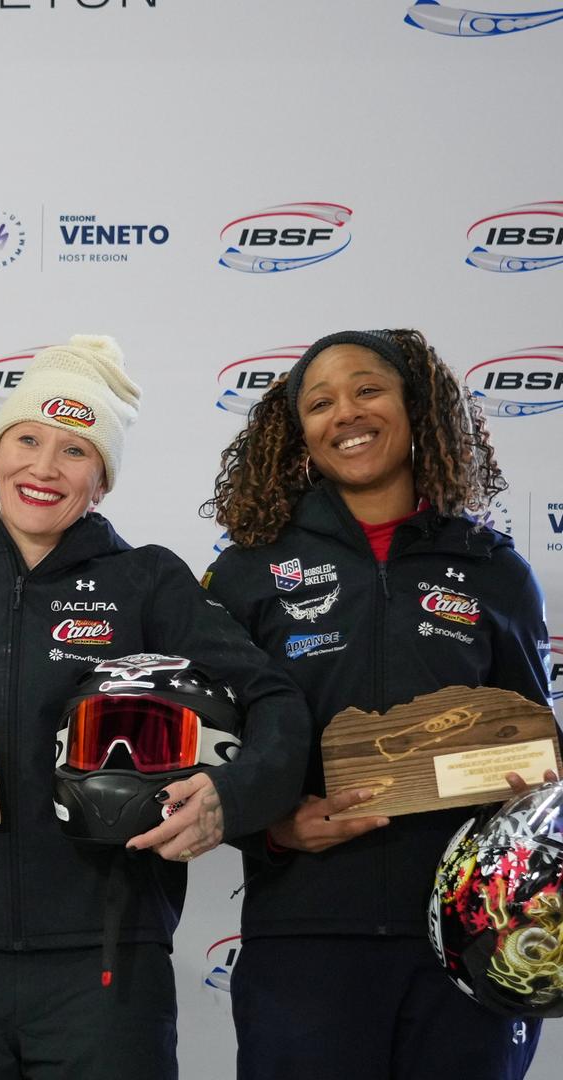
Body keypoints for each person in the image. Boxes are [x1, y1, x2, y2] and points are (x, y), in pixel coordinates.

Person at [0, 335, 310, 1080]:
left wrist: (232, 795)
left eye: (75, 451)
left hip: (107, 958)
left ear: (103, 479)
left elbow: (275, 701)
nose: (43, 467)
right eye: (27, 439)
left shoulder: (149, 582)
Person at [203, 328, 549, 1079]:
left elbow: (536, 753)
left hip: (469, 934)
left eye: (367, 389)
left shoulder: (493, 570)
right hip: (306, 933)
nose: (346, 414)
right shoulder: (247, 574)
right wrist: (274, 831)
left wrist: (531, 799)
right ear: (299, 434)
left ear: (411, 405)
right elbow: (214, 754)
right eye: (320, 403)